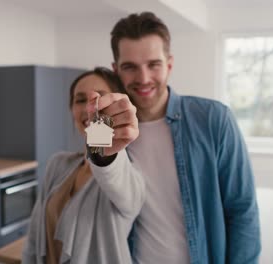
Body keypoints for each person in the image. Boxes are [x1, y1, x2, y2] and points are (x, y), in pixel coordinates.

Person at [109, 12, 262, 263]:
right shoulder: (110, 130)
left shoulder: (214, 119)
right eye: (130, 67)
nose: (144, 78)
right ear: (116, 70)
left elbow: (242, 210)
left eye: (153, 65)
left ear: (169, 64)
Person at [22, 67, 144, 264]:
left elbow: (111, 171)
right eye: (80, 100)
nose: (90, 107)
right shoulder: (58, 163)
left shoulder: (130, 176)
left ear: (118, 107)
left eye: (100, 99)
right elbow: (34, 237)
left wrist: (103, 150)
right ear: (71, 109)